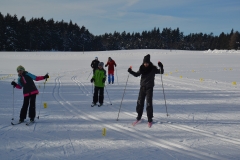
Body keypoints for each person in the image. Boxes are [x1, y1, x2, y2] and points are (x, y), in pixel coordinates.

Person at [127, 54, 164, 127]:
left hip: (149, 88)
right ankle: (139, 117)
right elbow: (137, 74)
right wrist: (130, 71)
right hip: (142, 87)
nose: (146, 64)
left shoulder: (153, 68)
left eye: (147, 63)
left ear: (149, 62)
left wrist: (161, 66)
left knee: (149, 103)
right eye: (145, 63)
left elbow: (161, 72)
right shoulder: (142, 68)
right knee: (140, 102)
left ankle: (150, 119)